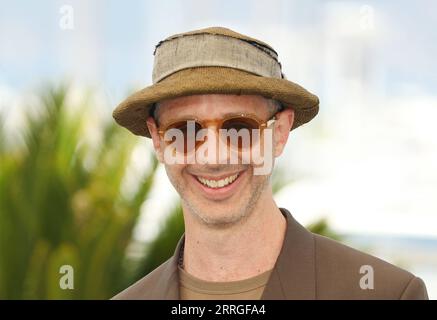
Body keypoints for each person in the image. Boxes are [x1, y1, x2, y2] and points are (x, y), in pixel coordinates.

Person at [112, 27, 428, 299]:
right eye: (185, 129)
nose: (213, 156)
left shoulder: (386, 294)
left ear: (279, 133)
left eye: (238, 128)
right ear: (158, 140)